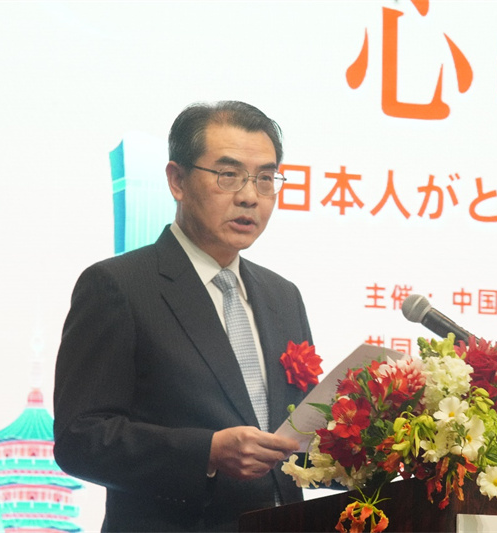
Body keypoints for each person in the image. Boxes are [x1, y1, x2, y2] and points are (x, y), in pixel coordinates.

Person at [53, 101, 312, 532]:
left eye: (265, 179)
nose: (249, 196)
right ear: (177, 180)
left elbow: (296, 440)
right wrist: (206, 452)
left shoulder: (283, 296)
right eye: (228, 175)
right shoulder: (118, 286)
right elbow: (80, 439)